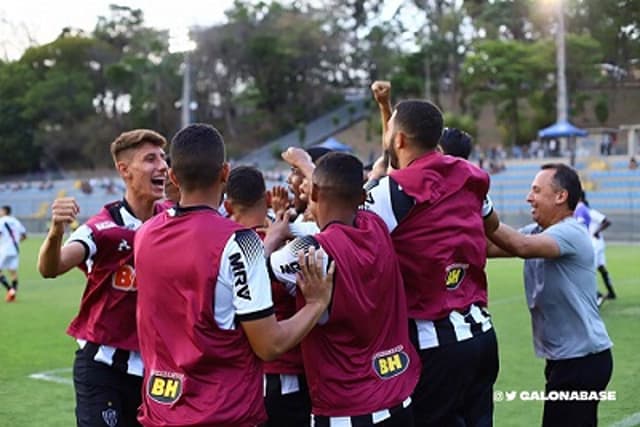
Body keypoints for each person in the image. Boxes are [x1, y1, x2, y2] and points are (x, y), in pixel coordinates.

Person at [133, 123, 333, 427]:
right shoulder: (241, 242)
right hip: (224, 412)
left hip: (160, 411)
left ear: (173, 177)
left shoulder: (144, 234)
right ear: (225, 173)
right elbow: (270, 345)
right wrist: (316, 303)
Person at [365, 89, 499, 426]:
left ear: (399, 140)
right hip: (481, 333)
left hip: (434, 342)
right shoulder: (469, 176)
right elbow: (492, 224)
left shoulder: (391, 192)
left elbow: (341, 231)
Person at [268, 152, 419, 426]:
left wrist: (272, 237)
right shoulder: (376, 225)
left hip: (346, 410)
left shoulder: (312, 250)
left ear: (313, 192)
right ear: (361, 199)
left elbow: (261, 268)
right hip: (398, 398)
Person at [37, 129, 169, 427]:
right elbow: (51, 267)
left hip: (157, 370)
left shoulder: (174, 220)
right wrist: (56, 231)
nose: (162, 165)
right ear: (124, 170)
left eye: (163, 158)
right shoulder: (102, 228)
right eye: (150, 159)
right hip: (103, 366)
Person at [487, 163, 613, 427]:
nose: (528, 197)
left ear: (560, 196)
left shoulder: (571, 232)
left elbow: (520, 246)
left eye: (536, 190)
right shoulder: (538, 231)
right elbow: (490, 247)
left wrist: (482, 205)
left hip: (582, 361)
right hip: (565, 359)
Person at [224, 165, 311, 427]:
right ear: (265, 199)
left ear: (227, 206)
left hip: (235, 379)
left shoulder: (219, 246)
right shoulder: (290, 244)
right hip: (286, 376)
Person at [588, 204, 616, 301]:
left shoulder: (590, 212)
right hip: (597, 244)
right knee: (601, 267)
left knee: (590, 269)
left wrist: (596, 232)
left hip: (595, 244)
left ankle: (596, 295)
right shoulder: (584, 212)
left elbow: (607, 221)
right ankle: (611, 292)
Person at [0, 205, 27, 302]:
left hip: (4, 249)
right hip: (15, 249)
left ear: (4, 211)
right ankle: (13, 293)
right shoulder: (16, 221)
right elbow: (24, 235)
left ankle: (10, 290)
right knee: (13, 272)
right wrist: (16, 241)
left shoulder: (2, 221)